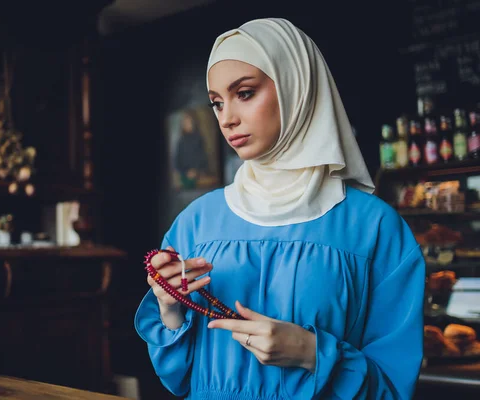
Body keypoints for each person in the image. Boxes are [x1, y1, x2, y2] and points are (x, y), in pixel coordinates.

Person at [135, 18, 424, 400]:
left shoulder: (375, 229)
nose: (227, 118)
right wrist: (170, 309)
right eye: (217, 102)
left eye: (245, 93)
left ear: (296, 87)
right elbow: (180, 381)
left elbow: (393, 389)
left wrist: (311, 354)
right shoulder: (196, 223)